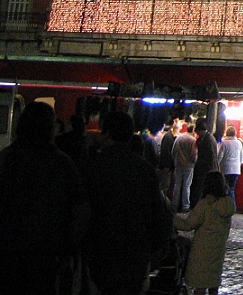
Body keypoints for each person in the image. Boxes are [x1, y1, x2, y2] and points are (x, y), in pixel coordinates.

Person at [0, 101, 85, 295]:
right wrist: (68, 251)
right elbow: (80, 212)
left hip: (4, 256)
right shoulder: (63, 165)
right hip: (45, 257)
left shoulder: (2, 161)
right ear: (50, 127)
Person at [83, 110, 173, 295]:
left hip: (100, 253)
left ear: (106, 133)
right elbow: (158, 214)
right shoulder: (144, 169)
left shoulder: (93, 167)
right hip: (134, 254)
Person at [173, 170, 236, 295]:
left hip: (202, 250)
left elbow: (189, 224)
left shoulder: (205, 204)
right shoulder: (227, 205)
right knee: (213, 282)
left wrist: (172, 219)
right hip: (218, 249)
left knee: (200, 284)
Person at [190, 117, 218, 209]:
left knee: (200, 188)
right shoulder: (209, 138)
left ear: (200, 130)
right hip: (207, 169)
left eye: (197, 132)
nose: (197, 134)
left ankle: (197, 206)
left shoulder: (207, 140)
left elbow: (209, 156)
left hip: (205, 169)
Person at [173, 122, 197, 212]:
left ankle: (175, 204)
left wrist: (176, 160)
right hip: (189, 166)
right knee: (186, 185)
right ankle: (185, 206)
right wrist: (194, 162)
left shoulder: (179, 138)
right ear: (193, 130)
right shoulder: (192, 140)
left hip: (178, 164)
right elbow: (193, 155)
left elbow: (173, 151)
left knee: (177, 184)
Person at [217, 126, 243, 200]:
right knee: (232, 189)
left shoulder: (224, 143)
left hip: (225, 169)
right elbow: (241, 157)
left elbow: (220, 156)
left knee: (225, 189)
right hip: (236, 170)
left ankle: (227, 207)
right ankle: (232, 207)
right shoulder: (239, 143)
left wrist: (217, 165)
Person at [157, 121, 176, 198]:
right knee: (165, 186)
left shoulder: (169, 137)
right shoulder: (168, 138)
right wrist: (166, 166)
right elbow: (166, 153)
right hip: (166, 168)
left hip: (167, 167)